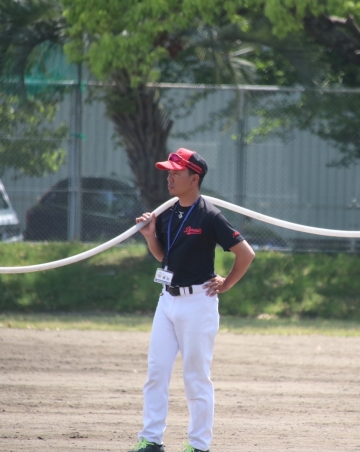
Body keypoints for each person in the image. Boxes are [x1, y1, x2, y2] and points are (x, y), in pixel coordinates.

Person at [131, 148, 256, 452]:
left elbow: (246, 253)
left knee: (196, 378)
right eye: (169, 172)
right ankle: (151, 440)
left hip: (198, 303)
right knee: (156, 372)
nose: (169, 178)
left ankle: (198, 445)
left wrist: (226, 283)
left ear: (194, 178)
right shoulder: (167, 212)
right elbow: (164, 256)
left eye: (176, 172)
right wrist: (150, 236)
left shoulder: (210, 215)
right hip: (167, 300)